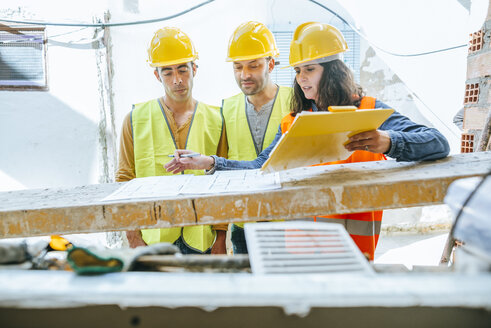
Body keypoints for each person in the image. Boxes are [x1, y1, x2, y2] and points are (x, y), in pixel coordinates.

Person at [165, 22, 450, 260]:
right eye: (298, 70)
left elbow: (437, 142)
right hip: (302, 251)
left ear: (334, 70)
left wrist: (388, 142)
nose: (301, 78)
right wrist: (211, 162)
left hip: (355, 253)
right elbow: (261, 165)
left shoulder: (369, 112)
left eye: (310, 69)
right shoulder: (294, 121)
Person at [116, 27, 228, 254]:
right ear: (157, 75)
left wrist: (220, 238)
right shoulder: (135, 119)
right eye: (167, 72)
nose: (177, 80)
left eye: (182, 69)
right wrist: (133, 236)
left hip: (202, 237)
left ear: (194, 69)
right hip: (152, 238)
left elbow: (224, 180)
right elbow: (124, 180)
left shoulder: (217, 118)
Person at [221, 21, 292, 254]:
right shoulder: (226, 109)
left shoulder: (296, 101)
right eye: (238, 67)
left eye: (253, 66)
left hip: (289, 221)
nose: (245, 74)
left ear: (270, 64)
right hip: (244, 223)